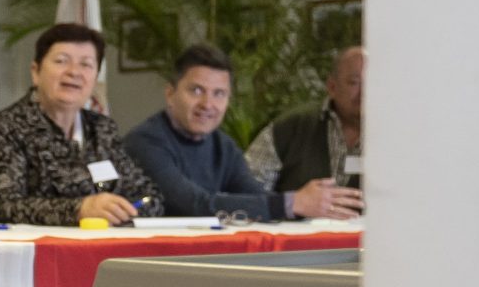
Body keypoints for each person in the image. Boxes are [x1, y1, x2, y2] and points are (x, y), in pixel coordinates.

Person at [124, 43, 354, 221]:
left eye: (219, 94)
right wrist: (292, 203)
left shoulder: (223, 146)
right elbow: (193, 205)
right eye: (196, 91)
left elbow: (256, 198)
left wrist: (307, 203)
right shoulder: (144, 142)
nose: (208, 104)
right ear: (170, 94)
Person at [0, 22, 156, 226]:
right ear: (36, 72)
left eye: (86, 64)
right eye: (61, 61)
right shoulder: (3, 128)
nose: (74, 72)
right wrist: (80, 210)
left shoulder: (103, 128)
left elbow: (150, 198)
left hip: (104, 244)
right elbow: (2, 206)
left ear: (95, 79)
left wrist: (128, 210)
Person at [247, 45, 366, 210]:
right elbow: (246, 193)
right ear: (332, 87)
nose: (366, 91)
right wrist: (292, 203)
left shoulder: (401, 136)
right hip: (296, 234)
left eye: (374, 82)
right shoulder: (291, 127)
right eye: (355, 83)